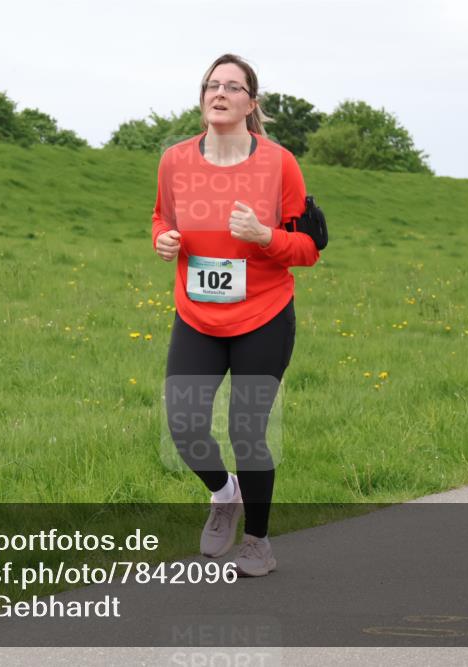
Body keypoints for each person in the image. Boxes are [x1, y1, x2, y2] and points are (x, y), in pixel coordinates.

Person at [151, 53, 320, 576]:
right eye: (211, 85)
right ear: (202, 99)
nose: (219, 93)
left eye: (232, 86)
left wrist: (265, 237)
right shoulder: (175, 160)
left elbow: (310, 246)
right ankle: (225, 495)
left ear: (252, 102)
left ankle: (258, 544)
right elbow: (161, 216)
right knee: (183, 424)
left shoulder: (278, 163)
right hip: (198, 316)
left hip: (264, 315)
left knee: (247, 431)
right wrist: (163, 239)